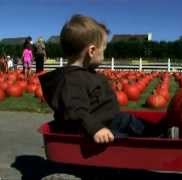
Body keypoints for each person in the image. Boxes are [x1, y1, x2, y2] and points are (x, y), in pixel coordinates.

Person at [39, 14, 165, 144]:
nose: (104, 54)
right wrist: (95, 129)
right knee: (126, 127)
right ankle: (159, 136)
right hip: (94, 130)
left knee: (128, 120)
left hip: (107, 122)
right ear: (92, 51)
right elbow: (75, 111)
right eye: (103, 49)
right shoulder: (72, 80)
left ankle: (158, 131)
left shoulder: (85, 74)